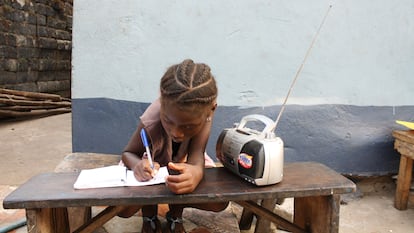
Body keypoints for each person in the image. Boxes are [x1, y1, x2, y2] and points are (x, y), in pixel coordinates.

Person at [118, 59, 229, 233]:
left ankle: (175, 215)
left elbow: (196, 154)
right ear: (161, 103)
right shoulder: (151, 121)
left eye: (188, 126)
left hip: (180, 161)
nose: (176, 133)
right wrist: (137, 165)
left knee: (219, 200)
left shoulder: (203, 112)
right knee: (123, 209)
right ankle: (149, 217)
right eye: (168, 121)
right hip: (150, 164)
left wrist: (196, 172)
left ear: (211, 109)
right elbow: (128, 153)